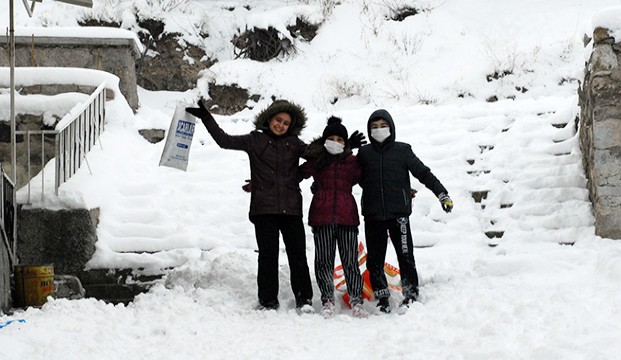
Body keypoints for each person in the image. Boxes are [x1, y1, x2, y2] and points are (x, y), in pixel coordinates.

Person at [185, 99, 314, 312]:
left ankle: (304, 300)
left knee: (298, 255)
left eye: (286, 123)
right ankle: (267, 301)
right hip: (264, 210)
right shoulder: (255, 140)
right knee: (267, 257)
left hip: (291, 209)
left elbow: (319, 156)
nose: (281, 125)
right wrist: (207, 117)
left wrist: (301, 173)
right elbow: (224, 140)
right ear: (269, 118)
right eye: (278, 120)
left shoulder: (295, 144)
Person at [357, 109, 454, 313]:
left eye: (383, 125)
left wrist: (442, 194)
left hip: (398, 215)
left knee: (405, 255)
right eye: (374, 127)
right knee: (374, 259)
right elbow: (347, 175)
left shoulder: (402, 150)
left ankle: (410, 294)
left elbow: (423, 173)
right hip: (373, 214)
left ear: (391, 127)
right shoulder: (364, 153)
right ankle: (382, 297)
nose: (379, 130)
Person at [299, 116, 367, 318]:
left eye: (340, 139)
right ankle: (327, 299)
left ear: (345, 143)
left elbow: (369, 179)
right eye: (331, 138)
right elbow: (296, 172)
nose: (335, 142)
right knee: (324, 261)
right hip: (322, 216)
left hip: (347, 217)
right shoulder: (317, 160)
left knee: (350, 261)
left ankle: (357, 300)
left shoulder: (353, 162)